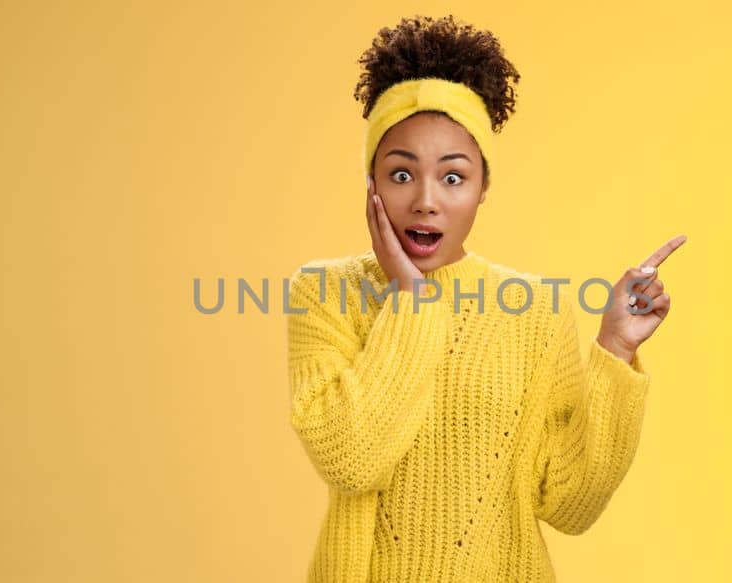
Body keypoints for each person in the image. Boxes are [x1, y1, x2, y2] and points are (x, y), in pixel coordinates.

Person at [285, 15, 684, 582]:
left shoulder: (535, 310)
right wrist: (411, 300)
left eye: (453, 178)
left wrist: (615, 347)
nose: (425, 201)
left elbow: (568, 504)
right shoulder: (323, 294)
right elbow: (352, 458)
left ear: (483, 187)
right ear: (371, 180)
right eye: (401, 175)